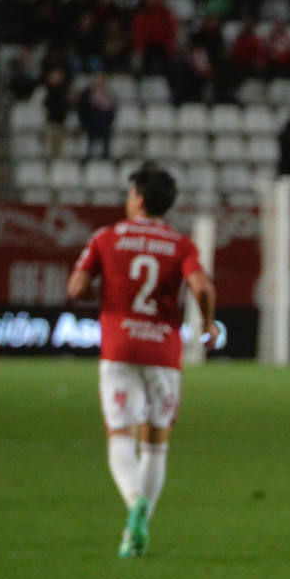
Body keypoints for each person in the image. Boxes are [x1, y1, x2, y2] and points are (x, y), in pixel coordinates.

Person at [66, 163, 217, 558]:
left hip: (119, 348)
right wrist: (210, 322)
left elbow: (77, 286)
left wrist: (103, 294)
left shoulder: (106, 236)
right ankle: (140, 525)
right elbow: (200, 285)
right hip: (163, 354)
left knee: (120, 434)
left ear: (139, 198)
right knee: (155, 446)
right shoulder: (180, 245)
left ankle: (134, 501)